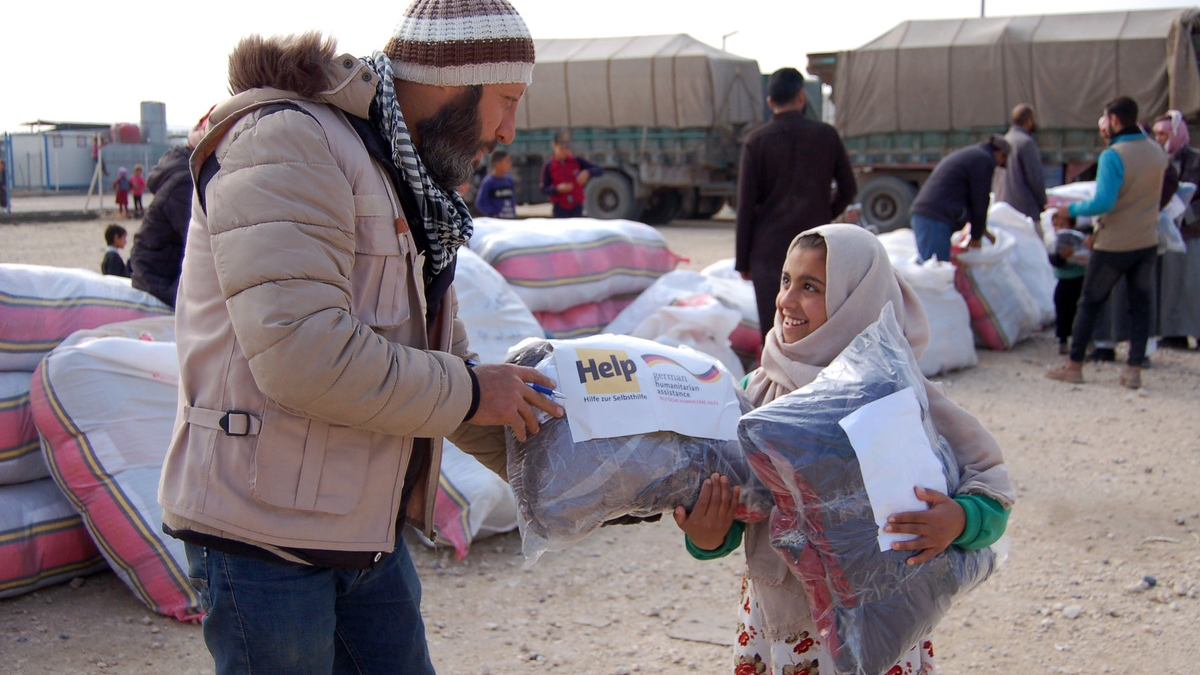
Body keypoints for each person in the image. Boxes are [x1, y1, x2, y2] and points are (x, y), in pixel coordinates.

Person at [157, 3, 561, 673]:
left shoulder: (397, 170)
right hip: (263, 537)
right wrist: (470, 391)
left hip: (360, 530)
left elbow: (442, 371)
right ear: (453, 79)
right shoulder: (286, 140)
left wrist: (580, 475)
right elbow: (302, 355)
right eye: (506, 100)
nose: (508, 131)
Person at [674, 224, 1014, 675]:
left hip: (880, 622)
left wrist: (960, 519)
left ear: (857, 299)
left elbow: (992, 494)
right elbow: (730, 521)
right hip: (781, 622)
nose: (786, 300)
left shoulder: (900, 396)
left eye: (810, 286)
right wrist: (705, 535)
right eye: (785, 280)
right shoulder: (756, 394)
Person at [1047, 96, 1167, 389]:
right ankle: (1133, 370)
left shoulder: (1113, 155)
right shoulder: (1157, 152)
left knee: (1090, 302)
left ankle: (1074, 365)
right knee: (1141, 306)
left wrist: (1069, 210)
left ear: (1113, 120)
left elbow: (1104, 201)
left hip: (1114, 243)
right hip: (1147, 240)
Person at [734, 67, 857, 342]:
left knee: (776, 329)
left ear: (770, 103)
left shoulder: (756, 141)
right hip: (816, 248)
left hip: (768, 251)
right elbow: (848, 189)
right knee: (819, 327)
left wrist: (743, 259)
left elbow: (745, 206)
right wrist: (825, 216)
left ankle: (777, 382)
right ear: (801, 97)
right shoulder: (826, 135)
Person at [129, 111, 212, 308]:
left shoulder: (185, 169)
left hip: (158, 270)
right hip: (159, 279)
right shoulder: (185, 181)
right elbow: (203, 240)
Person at [909, 135, 1010, 263]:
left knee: (933, 269)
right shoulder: (984, 160)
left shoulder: (974, 155)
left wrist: (981, 230)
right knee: (938, 270)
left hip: (930, 216)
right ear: (1000, 154)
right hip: (935, 218)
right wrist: (976, 237)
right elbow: (980, 200)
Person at [1152, 110, 1200, 350]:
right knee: (1169, 286)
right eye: (1156, 134)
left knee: (1194, 286)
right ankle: (1172, 333)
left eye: (1164, 133)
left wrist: (1187, 214)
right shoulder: (1155, 160)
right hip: (1166, 233)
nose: (1159, 138)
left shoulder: (1196, 161)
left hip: (1193, 232)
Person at [993, 103, 1048, 227]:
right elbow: (1035, 178)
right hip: (1024, 212)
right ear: (1028, 121)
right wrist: (1042, 204)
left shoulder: (1003, 141)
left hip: (1002, 211)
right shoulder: (1026, 143)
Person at [1048, 215, 1091, 354]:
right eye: (1056, 225)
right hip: (1064, 281)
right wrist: (1061, 256)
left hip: (1080, 279)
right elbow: (1054, 260)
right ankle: (1063, 340)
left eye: (1062, 224)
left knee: (1080, 311)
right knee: (1063, 310)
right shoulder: (1054, 243)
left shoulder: (1080, 239)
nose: (1059, 228)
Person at [540, 128, 602, 217]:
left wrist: (587, 172)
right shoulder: (549, 165)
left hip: (576, 206)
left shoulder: (577, 161)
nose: (565, 151)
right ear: (554, 145)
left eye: (567, 148)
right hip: (560, 208)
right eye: (562, 148)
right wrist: (557, 189)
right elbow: (544, 189)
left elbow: (599, 170)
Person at [475, 148, 517, 218]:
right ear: (497, 163)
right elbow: (480, 203)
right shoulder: (489, 182)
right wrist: (492, 213)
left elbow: (512, 199)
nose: (510, 164)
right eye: (507, 161)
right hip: (496, 222)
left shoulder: (509, 180)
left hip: (510, 220)